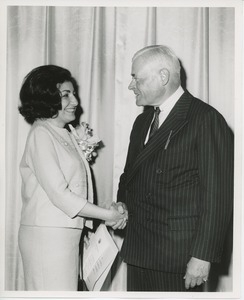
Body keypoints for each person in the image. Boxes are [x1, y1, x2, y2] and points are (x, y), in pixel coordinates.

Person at [114, 45, 234, 291]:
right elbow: (129, 177)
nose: (130, 85)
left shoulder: (205, 119)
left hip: (177, 257)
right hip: (138, 251)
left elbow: (218, 196)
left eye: (136, 78)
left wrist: (203, 256)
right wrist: (121, 206)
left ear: (163, 77)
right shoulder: (142, 121)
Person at [18, 65, 127, 291]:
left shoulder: (65, 131)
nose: (75, 101)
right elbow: (61, 196)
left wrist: (87, 226)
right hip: (47, 239)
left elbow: (78, 188)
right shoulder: (41, 133)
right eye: (65, 95)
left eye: (73, 93)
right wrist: (107, 215)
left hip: (65, 236)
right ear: (45, 98)